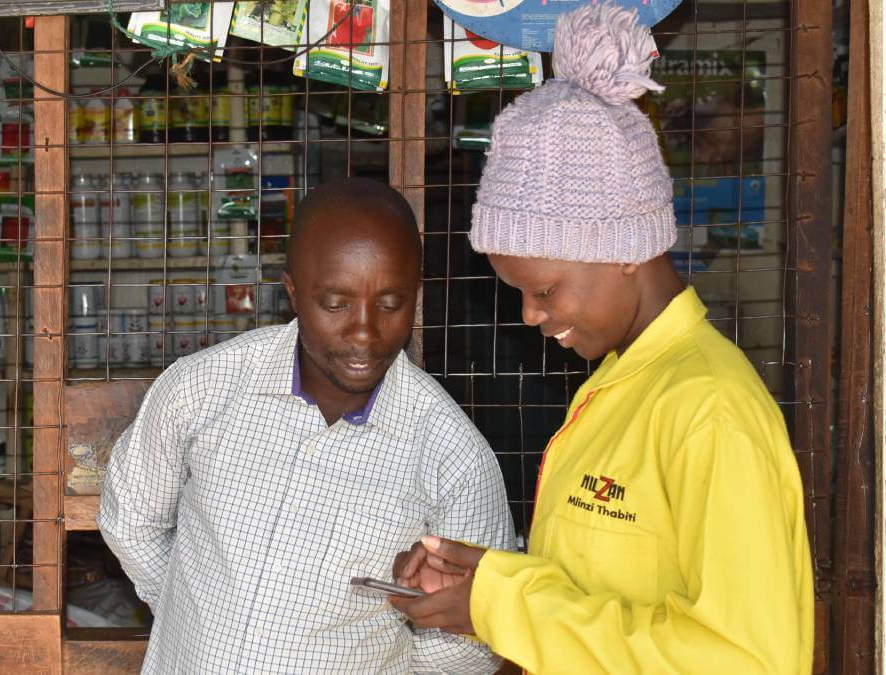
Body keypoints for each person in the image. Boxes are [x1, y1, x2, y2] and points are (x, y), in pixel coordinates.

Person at [389, 4, 814, 674]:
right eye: (519, 292)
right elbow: (614, 597)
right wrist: (492, 583)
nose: (530, 315)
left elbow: (744, 657)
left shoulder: (709, 411)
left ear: (622, 248)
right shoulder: (619, 388)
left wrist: (505, 607)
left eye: (545, 289)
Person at [99, 177, 515, 672]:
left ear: (416, 295)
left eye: (389, 304)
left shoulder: (453, 455)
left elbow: (465, 646)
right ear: (293, 291)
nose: (364, 331)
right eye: (336, 304)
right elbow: (132, 519)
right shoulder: (204, 389)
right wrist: (197, 613)